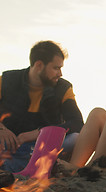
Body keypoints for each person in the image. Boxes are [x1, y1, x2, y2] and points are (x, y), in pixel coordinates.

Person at [0, 40, 84, 173]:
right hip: (8, 144)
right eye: (56, 68)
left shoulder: (63, 88)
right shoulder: (6, 80)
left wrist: (37, 133)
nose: (60, 73)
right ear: (39, 65)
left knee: (76, 138)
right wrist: (2, 129)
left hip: (43, 147)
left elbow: (77, 123)